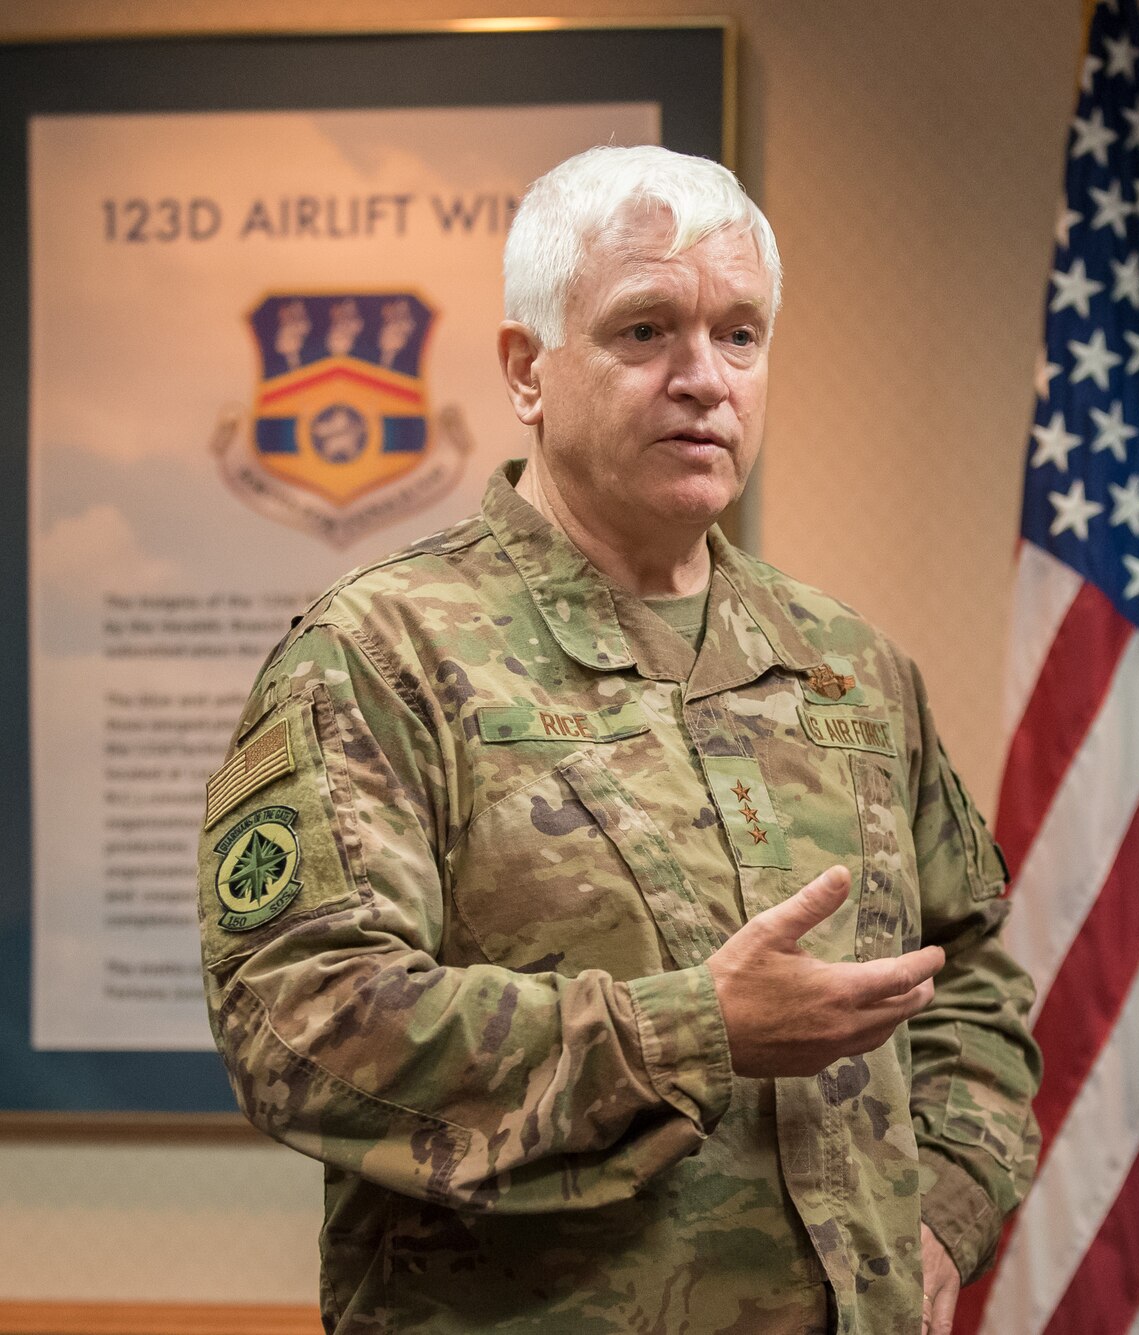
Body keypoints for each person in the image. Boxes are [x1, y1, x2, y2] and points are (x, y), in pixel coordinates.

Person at [196, 145, 1041, 1335]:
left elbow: (975, 982)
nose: (705, 378)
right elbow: (299, 1021)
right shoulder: (382, 656)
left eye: (739, 335)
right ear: (526, 371)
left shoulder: (851, 667)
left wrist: (947, 1209)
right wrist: (699, 1031)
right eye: (646, 331)